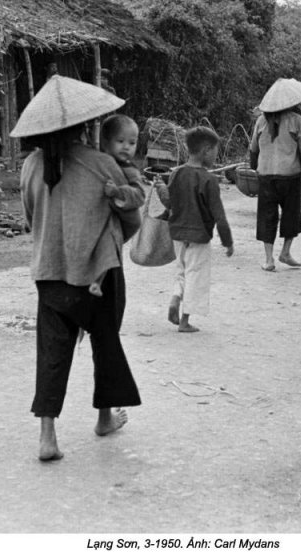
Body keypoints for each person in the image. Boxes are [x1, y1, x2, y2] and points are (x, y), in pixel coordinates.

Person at [12, 74, 142, 462]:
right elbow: (132, 217)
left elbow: (31, 218)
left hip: (50, 274)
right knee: (106, 343)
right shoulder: (102, 163)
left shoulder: (31, 166)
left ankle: (47, 436)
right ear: (84, 127)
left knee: (52, 351)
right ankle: (104, 418)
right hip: (98, 273)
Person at [158, 126, 234, 333]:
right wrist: (228, 241)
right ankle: (184, 320)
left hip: (178, 234)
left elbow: (170, 203)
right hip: (199, 237)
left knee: (181, 272)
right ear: (206, 150)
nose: (216, 155)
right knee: (196, 276)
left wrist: (161, 189)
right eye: (215, 151)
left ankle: (175, 298)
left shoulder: (176, 173)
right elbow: (219, 216)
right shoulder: (209, 180)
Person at [249, 78, 301, 271]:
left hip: (266, 177)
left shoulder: (261, 121)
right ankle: (285, 252)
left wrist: (253, 167)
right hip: (289, 177)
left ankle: (269, 260)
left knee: (266, 216)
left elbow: (253, 150)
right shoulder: (296, 120)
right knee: (292, 215)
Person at [90, 114, 145, 297]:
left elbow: (139, 196)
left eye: (132, 142)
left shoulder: (131, 170)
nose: (126, 147)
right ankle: (95, 281)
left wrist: (118, 191)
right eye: (120, 141)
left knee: (110, 245)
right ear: (105, 142)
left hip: (125, 222)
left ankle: (98, 281)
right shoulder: (97, 161)